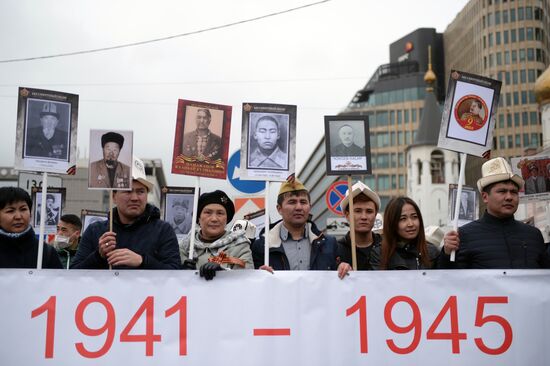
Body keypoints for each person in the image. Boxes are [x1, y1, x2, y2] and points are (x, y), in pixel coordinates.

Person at [440, 157, 550, 269]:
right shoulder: (464, 235)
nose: (509, 197)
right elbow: (450, 280)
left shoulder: (533, 235)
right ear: (485, 197)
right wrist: (447, 254)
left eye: (513, 192)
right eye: (502, 191)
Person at [72, 157, 181, 269]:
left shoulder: (163, 230)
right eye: (127, 191)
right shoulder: (95, 231)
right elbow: (73, 275)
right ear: (114, 196)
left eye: (141, 192)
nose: (135, 198)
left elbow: (175, 274)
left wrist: (142, 261)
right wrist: (98, 256)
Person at [251, 178, 338, 271]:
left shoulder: (329, 243)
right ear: (279, 209)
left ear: (310, 207)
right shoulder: (262, 246)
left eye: (303, 202)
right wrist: (259, 275)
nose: (299, 207)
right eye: (292, 202)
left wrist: (343, 268)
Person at [179, 190, 253, 280]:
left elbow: (247, 279)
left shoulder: (240, 246)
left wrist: (223, 272)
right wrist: (180, 273)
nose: (214, 219)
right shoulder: (184, 247)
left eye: (220, 213)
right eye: (208, 212)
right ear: (198, 217)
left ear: (227, 219)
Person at [0, 187, 62, 268]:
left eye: (23, 209)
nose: (18, 216)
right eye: (10, 211)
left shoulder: (46, 252)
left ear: (31, 212)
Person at [371, 196, 439, 270]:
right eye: (403, 219)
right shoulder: (380, 254)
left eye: (414, 217)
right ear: (392, 222)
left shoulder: (432, 252)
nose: (410, 224)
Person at [336, 181, 382, 278]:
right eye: (357, 211)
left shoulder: (387, 247)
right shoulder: (335, 250)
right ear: (347, 215)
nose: (364, 217)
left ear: (375, 215)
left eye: (369, 211)